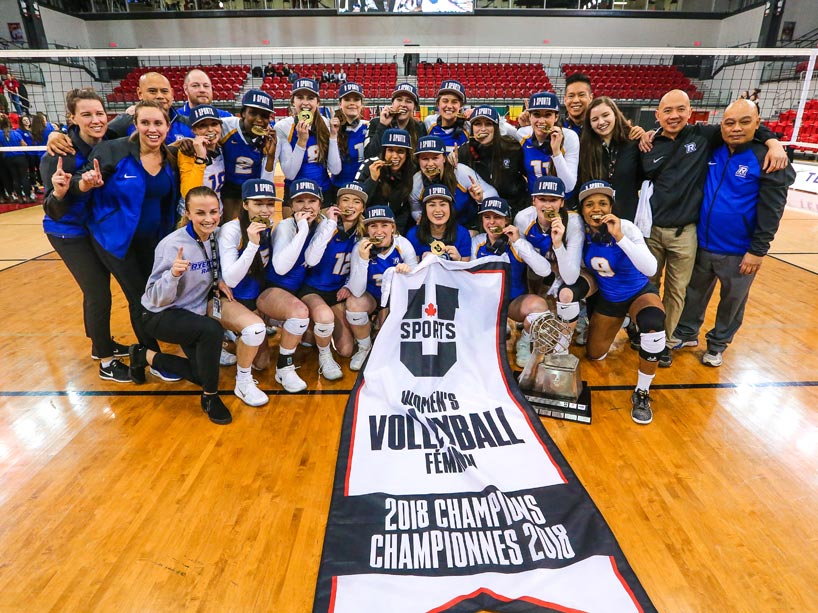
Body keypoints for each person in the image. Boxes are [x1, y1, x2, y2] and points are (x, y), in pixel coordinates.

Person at [639, 89, 787, 367]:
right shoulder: (713, 147)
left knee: (729, 300)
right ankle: (683, 332)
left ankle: (715, 344)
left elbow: (772, 210)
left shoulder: (756, 154)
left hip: (736, 248)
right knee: (690, 293)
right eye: (729, 123)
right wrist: (645, 133)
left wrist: (774, 143)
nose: (735, 128)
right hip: (700, 240)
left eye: (680, 109)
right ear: (657, 115)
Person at [71, 100, 179, 382]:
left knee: (152, 296)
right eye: (145, 122)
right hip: (115, 240)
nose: (152, 129)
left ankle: (151, 348)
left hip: (151, 242)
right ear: (136, 125)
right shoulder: (113, 150)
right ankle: (152, 357)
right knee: (138, 298)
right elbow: (79, 183)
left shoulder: (169, 158)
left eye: (158, 123)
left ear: (168, 127)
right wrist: (85, 182)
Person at [40, 88, 130, 382]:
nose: (95, 120)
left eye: (99, 113)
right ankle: (106, 361)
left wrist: (137, 108)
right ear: (72, 119)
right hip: (67, 232)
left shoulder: (107, 138)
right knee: (98, 293)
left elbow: (128, 118)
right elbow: (53, 209)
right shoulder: (59, 154)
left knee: (98, 290)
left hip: (93, 228)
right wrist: (71, 188)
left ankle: (99, 344)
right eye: (87, 115)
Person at [562, 180, 665, 425]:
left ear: (611, 206)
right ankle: (625, 322)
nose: (596, 209)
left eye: (602, 203)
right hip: (609, 297)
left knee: (653, 324)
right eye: (589, 204)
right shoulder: (581, 232)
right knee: (595, 355)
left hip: (638, 292)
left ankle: (642, 392)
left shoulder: (626, 227)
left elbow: (651, 268)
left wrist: (619, 236)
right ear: (582, 209)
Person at [128, 186, 234, 425]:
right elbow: (154, 297)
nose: (208, 219)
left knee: (201, 373)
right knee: (212, 330)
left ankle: (143, 355)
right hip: (159, 314)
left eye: (213, 212)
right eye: (200, 213)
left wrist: (219, 281)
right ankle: (210, 397)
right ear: (187, 213)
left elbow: (210, 267)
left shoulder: (216, 237)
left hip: (189, 314)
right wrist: (173, 276)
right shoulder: (172, 245)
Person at [256, 179, 325, 393]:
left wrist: (327, 225)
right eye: (300, 201)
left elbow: (312, 261)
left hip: (296, 290)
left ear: (320, 204)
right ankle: (284, 367)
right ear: (291, 206)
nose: (306, 206)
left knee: (312, 335)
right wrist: (302, 229)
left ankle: (282, 328)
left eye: (312, 200)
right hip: (272, 289)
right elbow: (281, 268)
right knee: (260, 363)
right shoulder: (286, 226)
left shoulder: (322, 225)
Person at [218, 178, 282, 404]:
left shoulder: (269, 226)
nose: (265, 210)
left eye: (269, 204)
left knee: (263, 363)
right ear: (245, 205)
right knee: (254, 332)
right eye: (258, 204)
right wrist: (252, 244)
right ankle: (242, 382)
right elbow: (232, 280)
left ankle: (234, 335)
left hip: (254, 298)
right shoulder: (231, 230)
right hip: (229, 299)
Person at [472, 197, 554, 367]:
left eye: (498, 217)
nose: (492, 222)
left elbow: (544, 270)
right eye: (487, 217)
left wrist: (518, 242)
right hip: (484, 305)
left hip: (513, 302)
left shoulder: (518, 242)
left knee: (539, 307)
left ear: (507, 220)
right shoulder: (476, 242)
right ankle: (497, 326)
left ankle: (524, 341)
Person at [299, 181, 368, 378]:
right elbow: (310, 260)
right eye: (345, 200)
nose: (350, 206)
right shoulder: (325, 225)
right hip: (312, 288)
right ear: (337, 203)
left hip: (336, 292)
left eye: (356, 202)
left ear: (362, 207)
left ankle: (316, 327)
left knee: (346, 350)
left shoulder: (362, 233)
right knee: (323, 319)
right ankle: (324, 356)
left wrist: (347, 285)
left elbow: (356, 269)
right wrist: (329, 226)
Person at [346, 204, 418, 370]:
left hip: (395, 300)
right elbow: (356, 291)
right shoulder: (360, 247)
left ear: (393, 227)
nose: (379, 231)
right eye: (373, 226)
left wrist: (408, 272)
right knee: (353, 304)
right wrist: (363, 260)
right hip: (371, 296)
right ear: (367, 229)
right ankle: (365, 347)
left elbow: (416, 283)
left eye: (384, 225)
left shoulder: (403, 244)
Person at [275, 78, 341, 212]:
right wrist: (301, 141)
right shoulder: (283, 127)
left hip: (322, 191)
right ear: (293, 101)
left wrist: (333, 137)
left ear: (318, 101)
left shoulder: (327, 124)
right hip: (294, 193)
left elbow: (335, 170)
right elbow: (290, 174)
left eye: (310, 98)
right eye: (300, 97)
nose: (305, 102)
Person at [409, 135, 496, 229]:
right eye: (425, 159)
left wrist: (481, 199)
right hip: (438, 230)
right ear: (418, 160)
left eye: (435, 158)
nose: (430, 164)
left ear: (444, 158)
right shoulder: (416, 183)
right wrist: (420, 217)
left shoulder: (460, 171)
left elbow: (493, 194)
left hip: (469, 227)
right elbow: (415, 210)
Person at [579, 96, 643, 222]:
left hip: (628, 219)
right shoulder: (584, 149)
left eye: (605, 115)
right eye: (595, 119)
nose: (601, 122)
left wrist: (647, 135)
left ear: (615, 114)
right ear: (590, 124)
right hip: (596, 221)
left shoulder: (634, 142)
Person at [457, 105, 529, 216]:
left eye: (488, 124)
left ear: (496, 127)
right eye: (477, 124)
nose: (483, 128)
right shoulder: (463, 152)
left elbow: (528, 174)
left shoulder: (512, 147)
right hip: (483, 212)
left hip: (514, 210)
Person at [219, 89, 277, 222]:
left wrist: (271, 155)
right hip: (229, 186)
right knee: (228, 226)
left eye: (264, 115)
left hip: (253, 187)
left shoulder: (270, 137)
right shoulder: (225, 126)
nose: (259, 120)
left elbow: (267, 176)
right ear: (243, 113)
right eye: (253, 113)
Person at [517, 91, 579, 202]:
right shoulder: (522, 134)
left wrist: (556, 152)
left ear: (556, 117)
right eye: (536, 114)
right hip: (535, 204)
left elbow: (569, 186)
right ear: (529, 116)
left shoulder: (569, 137)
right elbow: (502, 130)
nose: (541, 121)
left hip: (563, 205)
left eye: (547, 115)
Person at [356, 128, 415, 233]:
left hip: (394, 230)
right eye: (390, 150)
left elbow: (404, 212)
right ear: (383, 151)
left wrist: (396, 234)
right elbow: (356, 202)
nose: (395, 156)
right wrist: (372, 180)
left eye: (400, 151)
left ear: (407, 154)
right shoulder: (369, 165)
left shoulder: (411, 171)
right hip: (366, 227)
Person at [178, 104, 226, 213]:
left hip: (216, 212)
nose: (210, 130)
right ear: (194, 130)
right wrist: (200, 158)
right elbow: (189, 193)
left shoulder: (222, 148)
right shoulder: (188, 152)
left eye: (214, 124)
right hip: (192, 215)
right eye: (202, 126)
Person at [406, 183, 471, 262]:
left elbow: (467, 272)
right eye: (432, 205)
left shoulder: (462, 234)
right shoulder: (413, 235)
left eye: (443, 204)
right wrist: (421, 263)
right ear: (424, 209)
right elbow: (411, 270)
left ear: (450, 208)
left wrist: (459, 260)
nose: (438, 210)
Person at [364, 82, 426, 157]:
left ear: (415, 107)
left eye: (408, 101)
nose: (403, 104)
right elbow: (369, 155)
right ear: (392, 103)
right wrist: (383, 125)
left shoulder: (419, 127)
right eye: (399, 100)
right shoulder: (376, 122)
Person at [331, 82, 369, 200]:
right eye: (347, 99)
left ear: (361, 104)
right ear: (340, 103)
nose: (352, 103)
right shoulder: (330, 129)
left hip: (363, 189)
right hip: (337, 189)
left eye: (356, 99)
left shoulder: (369, 127)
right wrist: (333, 135)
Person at [423, 80, 469, 155]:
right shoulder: (429, 122)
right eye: (445, 101)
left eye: (454, 102)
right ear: (438, 103)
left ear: (460, 106)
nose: (449, 106)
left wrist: (474, 112)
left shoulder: (468, 126)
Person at [0, 113, 29, 203]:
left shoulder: (0, 134)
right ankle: (28, 197)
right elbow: (24, 145)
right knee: (24, 177)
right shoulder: (15, 133)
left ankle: (19, 198)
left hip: (8, 159)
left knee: (15, 179)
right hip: (20, 157)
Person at [562, 72, 593, 136]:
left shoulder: (599, 127)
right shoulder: (558, 128)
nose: (576, 100)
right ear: (565, 100)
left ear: (591, 98)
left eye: (581, 95)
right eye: (571, 96)